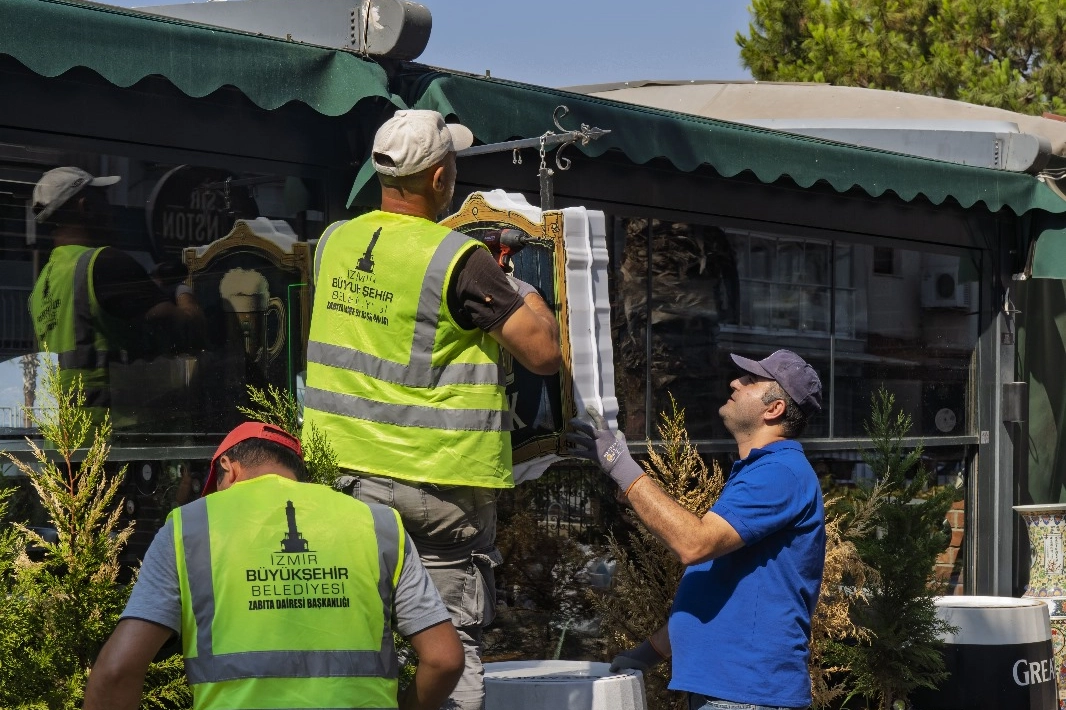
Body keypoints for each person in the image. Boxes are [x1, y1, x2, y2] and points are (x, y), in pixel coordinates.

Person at [302, 109, 562, 710]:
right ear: (441, 177)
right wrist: (519, 288)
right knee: (447, 642)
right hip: (437, 488)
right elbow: (543, 353)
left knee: (358, 638)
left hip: (344, 482)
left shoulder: (333, 242)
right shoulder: (459, 259)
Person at [83, 421, 464, 710]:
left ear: (228, 468)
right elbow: (444, 659)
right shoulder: (378, 524)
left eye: (217, 485)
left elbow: (117, 672)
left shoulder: (190, 527)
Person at [569, 349, 826, 710]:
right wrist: (651, 651)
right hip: (732, 693)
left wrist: (620, 465)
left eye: (750, 380)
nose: (735, 382)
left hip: (744, 696)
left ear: (774, 409)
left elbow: (693, 544)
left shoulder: (779, 474)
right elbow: (719, 587)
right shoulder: (760, 472)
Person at [28, 166, 204, 423]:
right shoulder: (104, 263)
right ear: (86, 207)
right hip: (111, 433)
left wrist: (148, 288)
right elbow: (188, 328)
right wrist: (183, 290)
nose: (112, 211)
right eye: (104, 200)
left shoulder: (43, 282)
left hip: (63, 437)